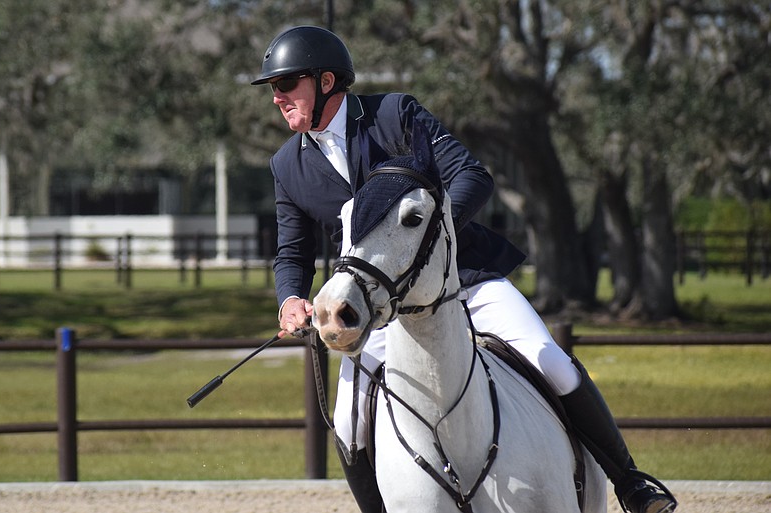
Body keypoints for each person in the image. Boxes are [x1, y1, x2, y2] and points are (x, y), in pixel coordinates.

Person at [251, 25, 677, 513]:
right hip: (380, 308)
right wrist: (289, 299)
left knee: (549, 359)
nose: (277, 97)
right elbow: (293, 252)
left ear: (326, 81)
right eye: (273, 89)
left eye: (285, 84)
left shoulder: (393, 116)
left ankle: (632, 485)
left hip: (464, 279)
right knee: (348, 421)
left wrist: (430, 239)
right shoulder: (287, 165)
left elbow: (471, 175)